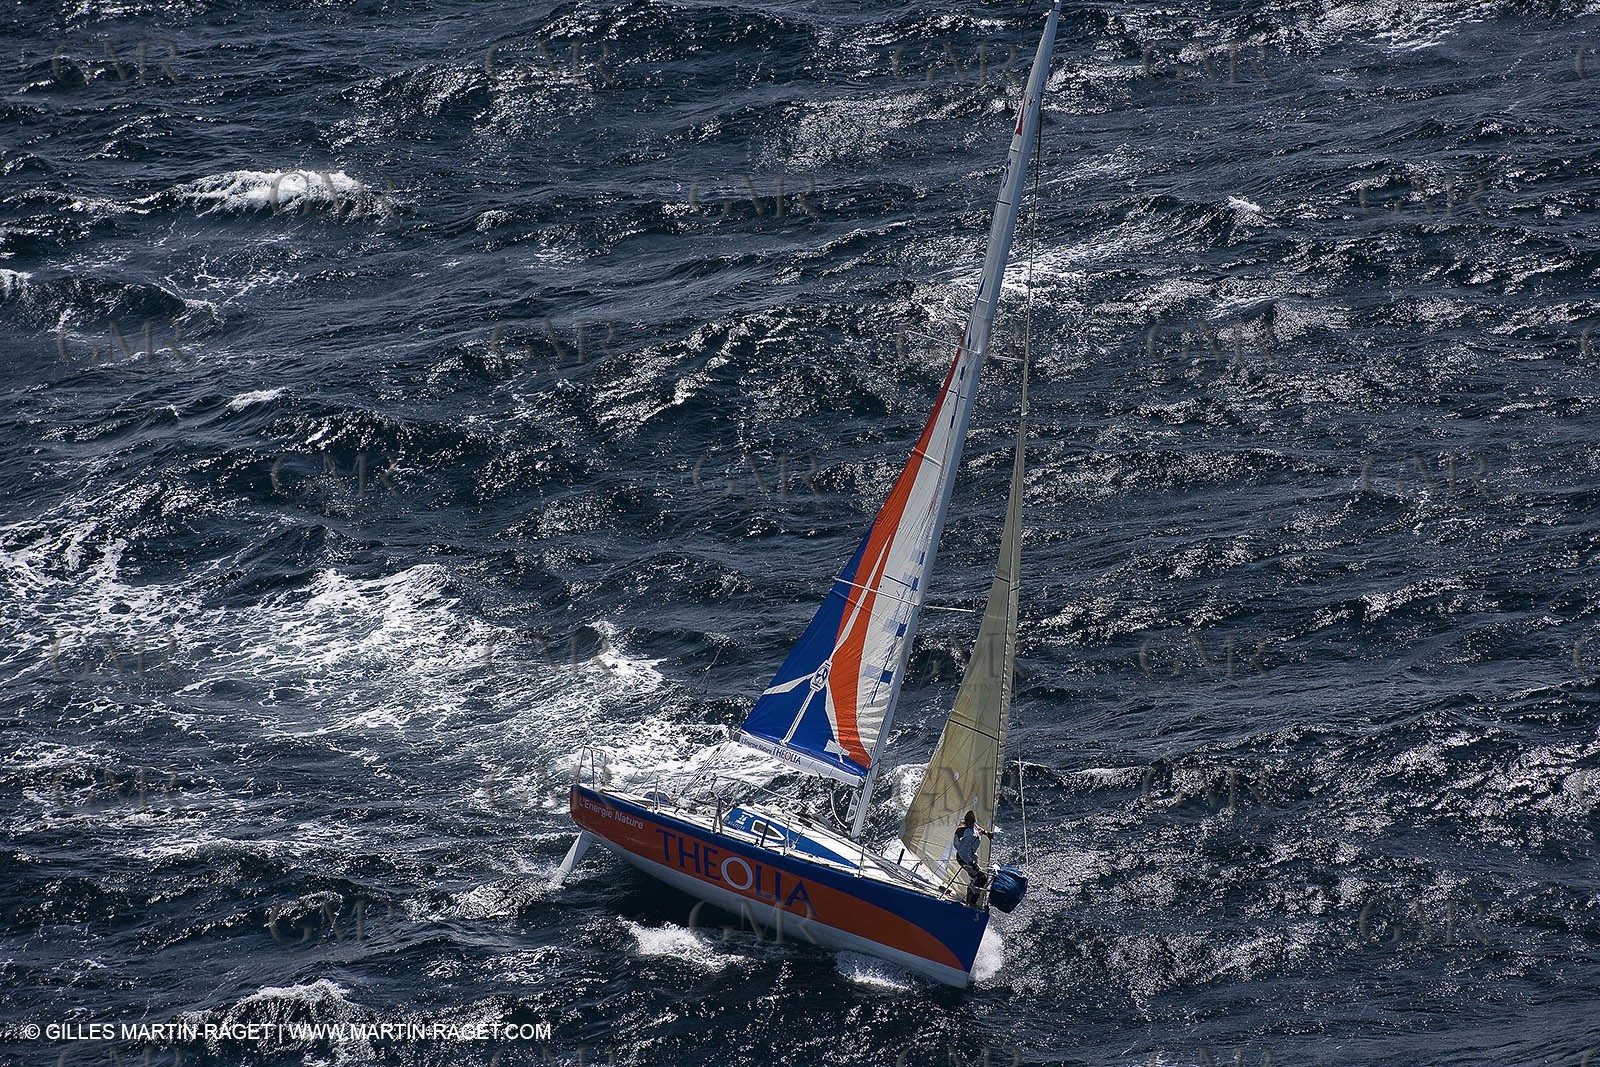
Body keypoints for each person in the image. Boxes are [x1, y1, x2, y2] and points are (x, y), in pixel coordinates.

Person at [952, 810, 989, 907]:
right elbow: (962, 852)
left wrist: (987, 833)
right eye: (969, 822)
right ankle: (972, 902)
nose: (971, 824)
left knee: (976, 878)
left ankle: (970, 899)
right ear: (966, 821)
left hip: (971, 856)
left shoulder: (974, 826)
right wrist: (971, 863)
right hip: (964, 858)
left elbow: (978, 828)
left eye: (972, 822)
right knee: (981, 878)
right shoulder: (966, 832)